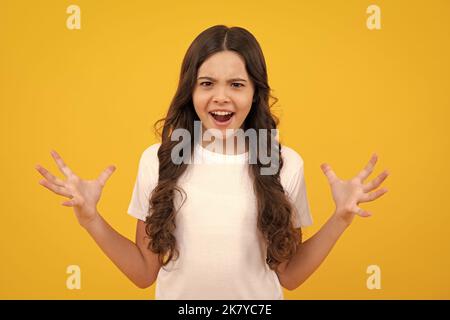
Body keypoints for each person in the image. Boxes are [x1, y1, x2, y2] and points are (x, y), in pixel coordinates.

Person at [35, 25, 389, 300]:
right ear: (191, 90)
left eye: (237, 84)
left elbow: (290, 274)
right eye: (207, 83)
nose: (221, 97)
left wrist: (340, 217)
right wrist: (91, 219)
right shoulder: (158, 161)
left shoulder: (283, 164)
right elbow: (144, 272)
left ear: (255, 93)